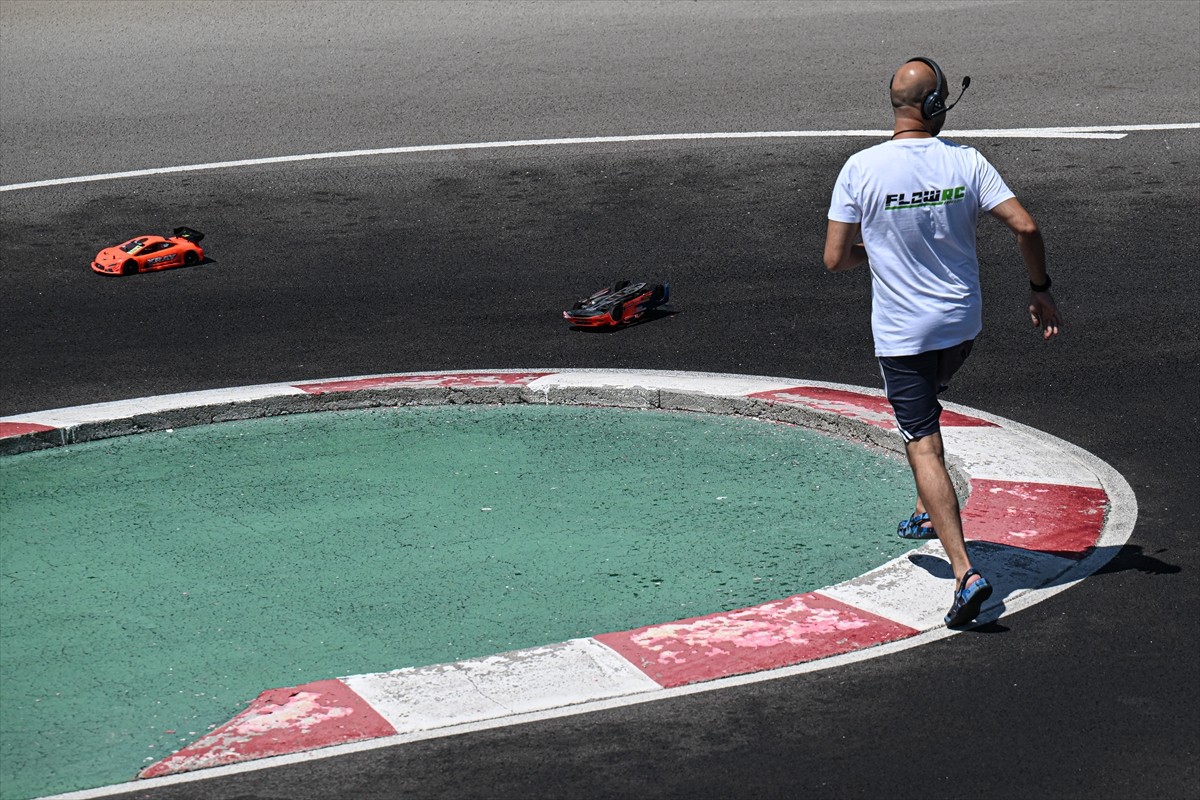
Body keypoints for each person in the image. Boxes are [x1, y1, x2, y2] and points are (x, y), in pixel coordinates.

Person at [822, 56, 1062, 627]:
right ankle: (925, 505)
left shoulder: (860, 168)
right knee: (930, 404)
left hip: (904, 336)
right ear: (934, 107)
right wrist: (1040, 289)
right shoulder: (967, 162)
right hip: (961, 326)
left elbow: (834, 259)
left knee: (922, 442)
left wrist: (875, 254)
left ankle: (963, 572)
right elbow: (1025, 226)